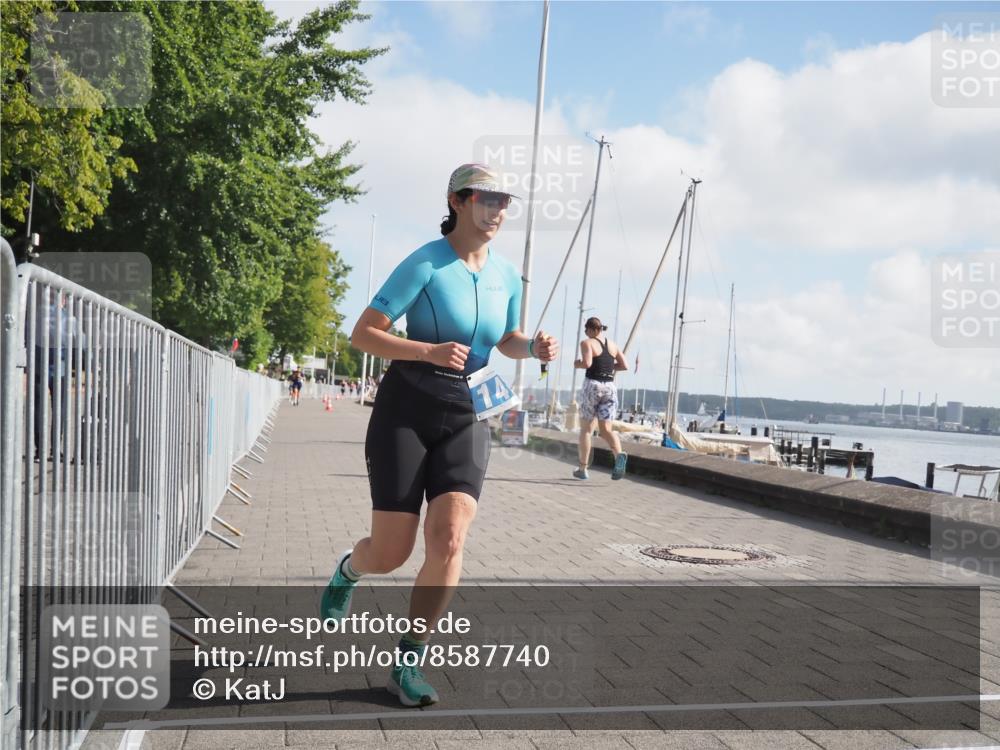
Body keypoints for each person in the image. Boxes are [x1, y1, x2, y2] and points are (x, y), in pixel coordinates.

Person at [320, 163, 558, 707]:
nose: (498, 211)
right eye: (488, 200)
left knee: (449, 537)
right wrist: (426, 350)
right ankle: (349, 570)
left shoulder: (508, 276)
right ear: (457, 200)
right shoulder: (425, 263)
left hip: (469, 410)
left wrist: (533, 348)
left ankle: (409, 660)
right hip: (407, 408)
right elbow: (363, 334)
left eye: (505, 202)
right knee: (391, 552)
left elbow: (507, 339)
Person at [573, 316, 629, 480]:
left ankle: (582, 469)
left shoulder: (587, 343)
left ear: (592, 329)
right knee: (606, 430)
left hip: (593, 385)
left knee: (586, 430)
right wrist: (610, 369)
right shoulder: (612, 345)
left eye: (586, 329)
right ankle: (619, 455)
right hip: (610, 387)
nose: (585, 332)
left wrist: (577, 364)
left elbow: (588, 363)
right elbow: (624, 366)